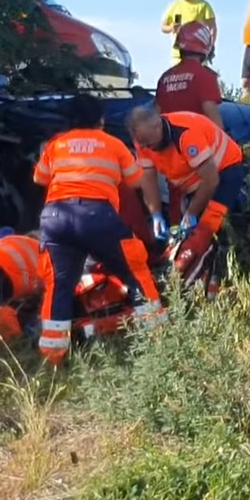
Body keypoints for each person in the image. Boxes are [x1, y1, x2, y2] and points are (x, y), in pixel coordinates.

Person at [32, 95, 166, 366]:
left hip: (56, 218)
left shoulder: (56, 144)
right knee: (136, 269)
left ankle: (52, 361)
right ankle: (160, 342)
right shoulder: (112, 144)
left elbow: (39, 178)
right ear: (100, 120)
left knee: (58, 285)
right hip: (97, 216)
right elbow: (136, 180)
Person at [126, 105, 246, 289]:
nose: (144, 147)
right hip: (195, 184)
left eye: (148, 143)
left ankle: (221, 283)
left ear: (158, 125)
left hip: (224, 173)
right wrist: (156, 213)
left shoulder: (186, 134)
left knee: (205, 232)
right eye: (141, 143)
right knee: (188, 237)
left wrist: (191, 214)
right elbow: (148, 179)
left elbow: (211, 180)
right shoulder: (143, 140)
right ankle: (195, 286)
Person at [155, 21, 224, 126]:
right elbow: (214, 122)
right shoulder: (205, 77)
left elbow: (156, 116)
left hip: (169, 141)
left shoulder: (165, 78)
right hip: (197, 140)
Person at [160, 0, 217, 64]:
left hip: (197, 54)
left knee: (197, 77)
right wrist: (171, 28)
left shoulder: (203, 5)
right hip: (177, 54)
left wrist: (211, 45)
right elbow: (163, 27)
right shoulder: (174, 6)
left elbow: (212, 27)